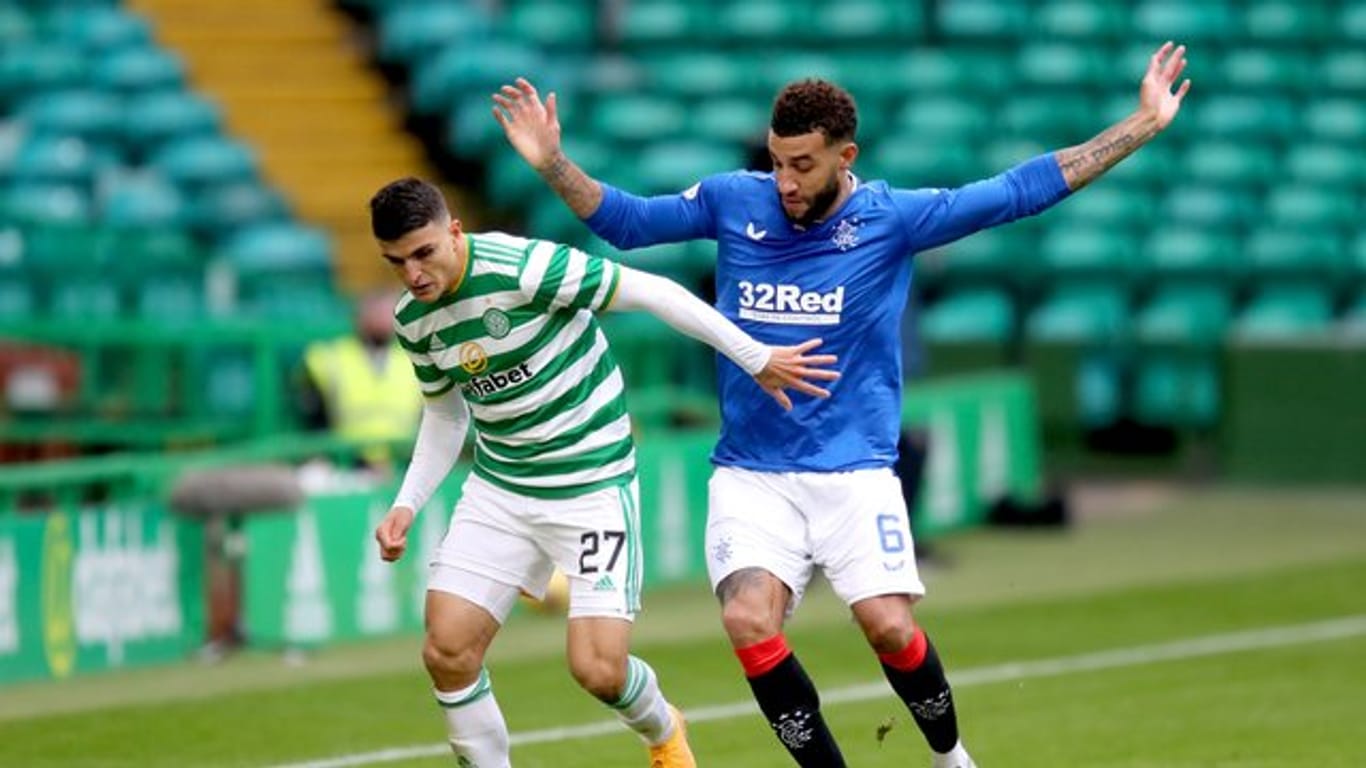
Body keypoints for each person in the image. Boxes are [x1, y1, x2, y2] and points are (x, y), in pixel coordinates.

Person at [494, 41, 1191, 767]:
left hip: (854, 470)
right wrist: (551, 164)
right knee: (746, 619)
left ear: (844, 155)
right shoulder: (737, 201)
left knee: (889, 627)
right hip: (752, 472)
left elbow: (1018, 190)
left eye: (803, 165)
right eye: (776, 161)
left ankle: (952, 759)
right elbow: (626, 223)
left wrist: (1141, 124)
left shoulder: (893, 218)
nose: (785, 182)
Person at [368, 177, 840, 767]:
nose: (413, 274)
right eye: (396, 262)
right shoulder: (414, 318)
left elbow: (657, 293)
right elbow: (445, 414)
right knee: (446, 650)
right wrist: (407, 503)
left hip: (591, 484)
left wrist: (756, 357)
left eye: (423, 253)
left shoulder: (526, 268)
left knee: (597, 669)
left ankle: (664, 729)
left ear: (454, 231)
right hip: (502, 489)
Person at [298, 289, 423, 470]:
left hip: (405, 464)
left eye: (388, 312)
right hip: (346, 464)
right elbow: (312, 417)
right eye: (376, 311)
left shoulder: (415, 360)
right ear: (360, 315)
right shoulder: (327, 357)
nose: (383, 319)